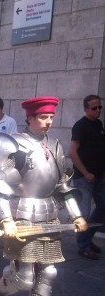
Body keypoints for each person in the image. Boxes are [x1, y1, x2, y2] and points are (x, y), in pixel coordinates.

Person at [0, 96, 88, 296]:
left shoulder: (55, 145)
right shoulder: (10, 142)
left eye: (51, 117)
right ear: (30, 117)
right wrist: (6, 219)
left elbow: (62, 186)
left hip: (49, 214)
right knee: (24, 278)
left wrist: (76, 215)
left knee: (48, 272)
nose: (49, 121)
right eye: (43, 117)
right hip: (21, 213)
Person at [68, 94, 105, 260]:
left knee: (103, 206)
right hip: (84, 177)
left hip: (98, 177)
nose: (98, 110)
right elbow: (72, 152)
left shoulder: (99, 124)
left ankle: (87, 238)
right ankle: (83, 246)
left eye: (100, 107)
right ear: (85, 109)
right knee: (83, 212)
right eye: (94, 108)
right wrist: (85, 173)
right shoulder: (80, 126)